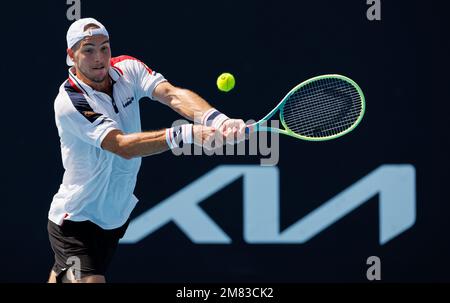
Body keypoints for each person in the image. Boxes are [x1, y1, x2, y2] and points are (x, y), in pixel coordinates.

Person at [47, 17, 246, 283]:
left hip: (113, 217)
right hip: (76, 219)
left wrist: (216, 120)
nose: (99, 57)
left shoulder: (128, 68)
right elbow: (120, 146)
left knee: (64, 276)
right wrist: (185, 134)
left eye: (104, 47)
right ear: (72, 55)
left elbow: (171, 94)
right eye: (88, 49)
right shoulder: (71, 101)